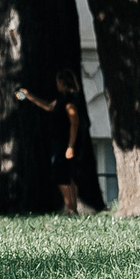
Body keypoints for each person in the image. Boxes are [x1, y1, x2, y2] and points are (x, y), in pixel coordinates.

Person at [16, 68, 87, 214]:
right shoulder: (62, 99)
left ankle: (70, 207)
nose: (57, 85)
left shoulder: (70, 101)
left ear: (62, 82)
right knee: (67, 176)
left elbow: (74, 123)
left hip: (65, 144)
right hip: (59, 143)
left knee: (61, 176)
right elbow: (48, 107)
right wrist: (29, 97)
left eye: (58, 82)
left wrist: (70, 146)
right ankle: (72, 208)